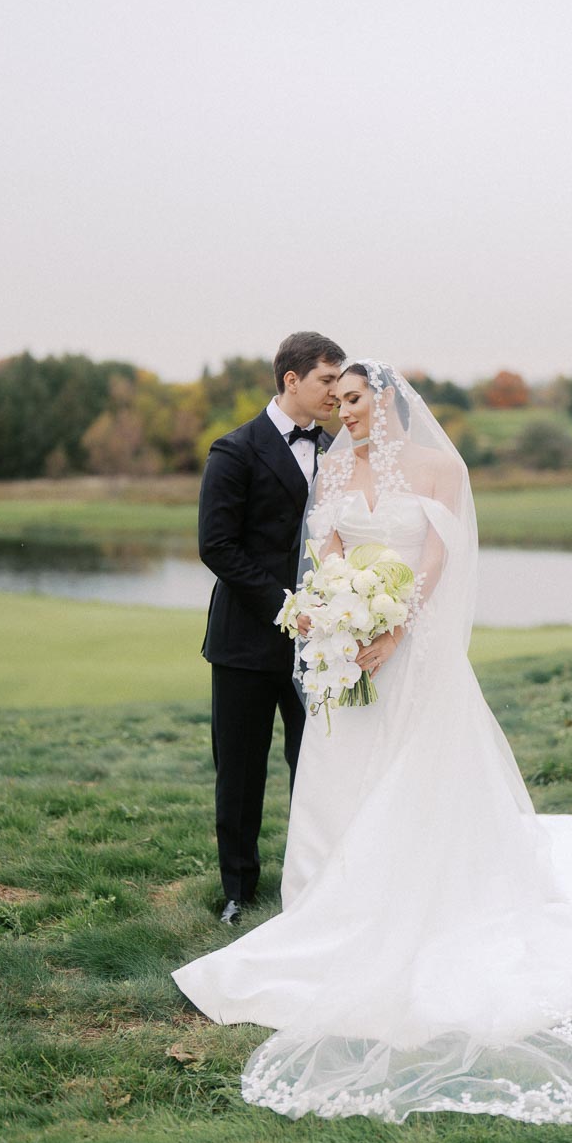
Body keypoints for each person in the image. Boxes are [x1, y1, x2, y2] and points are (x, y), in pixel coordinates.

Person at [174, 360, 572, 1123]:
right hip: (352, 652)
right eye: (337, 399)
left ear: (384, 401)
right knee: (340, 772)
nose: (343, 411)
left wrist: (396, 626)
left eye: (354, 399)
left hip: (415, 655)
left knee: (420, 779)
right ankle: (327, 906)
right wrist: (345, 618)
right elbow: (330, 555)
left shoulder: (434, 466)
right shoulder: (333, 466)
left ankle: (424, 898)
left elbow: (437, 558)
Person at [198, 331, 345, 925]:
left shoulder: (341, 452)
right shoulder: (234, 450)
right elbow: (217, 546)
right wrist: (286, 606)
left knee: (316, 764)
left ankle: (316, 880)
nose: (336, 392)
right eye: (327, 381)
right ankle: (238, 890)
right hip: (247, 638)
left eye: (341, 382)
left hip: (325, 641)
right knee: (239, 768)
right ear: (292, 380)